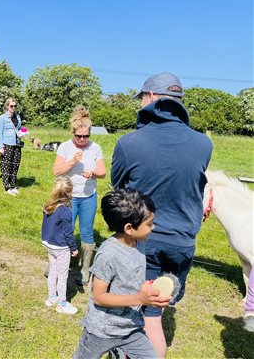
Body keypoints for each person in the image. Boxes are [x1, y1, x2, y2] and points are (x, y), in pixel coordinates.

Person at [111, 72, 213, 358]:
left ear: (152, 98)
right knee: (155, 309)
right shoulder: (204, 144)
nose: (140, 104)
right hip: (183, 244)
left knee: (146, 318)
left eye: (142, 98)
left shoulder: (129, 143)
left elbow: (118, 190)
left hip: (145, 242)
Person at [73, 188, 171, 359]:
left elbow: (131, 279)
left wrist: (149, 293)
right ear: (129, 228)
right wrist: (139, 299)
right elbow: (99, 297)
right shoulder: (108, 254)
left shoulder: (139, 242)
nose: (153, 228)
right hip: (102, 330)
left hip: (132, 328)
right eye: (149, 224)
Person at [53, 106, 106, 285]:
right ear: (73, 132)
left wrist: (93, 173)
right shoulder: (65, 147)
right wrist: (72, 161)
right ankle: (57, 264)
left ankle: (84, 270)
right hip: (68, 196)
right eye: (79, 136)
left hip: (88, 196)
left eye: (86, 136)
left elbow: (103, 172)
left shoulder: (95, 148)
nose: (82, 139)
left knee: (87, 233)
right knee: (62, 230)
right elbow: (56, 171)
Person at [41, 176, 79, 315]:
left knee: (53, 272)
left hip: (49, 244)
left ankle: (52, 298)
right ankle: (62, 304)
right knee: (62, 276)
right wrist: (74, 249)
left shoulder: (48, 206)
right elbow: (69, 233)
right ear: (70, 193)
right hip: (61, 248)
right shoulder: (66, 211)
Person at [0, 98, 23, 196]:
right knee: (6, 165)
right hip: (7, 144)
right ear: (7, 106)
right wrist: (1, 147)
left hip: (17, 144)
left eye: (15, 106)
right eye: (11, 106)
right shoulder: (2, 118)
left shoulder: (18, 117)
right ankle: (6, 187)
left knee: (15, 164)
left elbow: (19, 129)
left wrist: (23, 133)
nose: (13, 108)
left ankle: (13, 185)